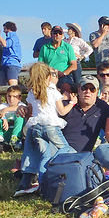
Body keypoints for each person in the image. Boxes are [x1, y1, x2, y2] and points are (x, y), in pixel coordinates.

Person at [15, 62, 75, 195]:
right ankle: (71, 170)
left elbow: (30, 112)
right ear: (48, 77)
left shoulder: (32, 92)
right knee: (65, 148)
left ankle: (38, 183)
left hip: (36, 127)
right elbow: (62, 111)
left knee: (45, 154)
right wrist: (71, 102)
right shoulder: (52, 90)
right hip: (51, 127)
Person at [61, 76, 109, 153]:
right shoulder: (66, 105)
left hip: (84, 157)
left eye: (92, 89)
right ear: (78, 90)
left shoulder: (102, 108)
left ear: (97, 92)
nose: (88, 91)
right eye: (84, 88)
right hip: (61, 152)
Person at [38, 25, 77, 91]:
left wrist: (63, 73)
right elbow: (40, 65)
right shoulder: (44, 48)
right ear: (51, 34)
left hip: (64, 76)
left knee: (66, 87)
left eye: (60, 33)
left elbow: (74, 65)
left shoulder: (68, 47)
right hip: (49, 76)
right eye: (55, 33)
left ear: (62, 34)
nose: (57, 35)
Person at [0, 85, 26, 150]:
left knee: (19, 114)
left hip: (18, 132)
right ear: (6, 97)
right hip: (5, 131)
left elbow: (19, 108)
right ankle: (1, 138)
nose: (11, 99)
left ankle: (15, 138)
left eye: (14, 97)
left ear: (19, 98)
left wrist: (5, 110)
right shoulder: (3, 106)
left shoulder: (21, 105)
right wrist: (4, 118)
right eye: (9, 96)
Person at [0, 22, 21, 87]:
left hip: (12, 64)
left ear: (8, 29)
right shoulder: (9, 37)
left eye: (4, 29)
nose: (4, 31)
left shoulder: (13, 36)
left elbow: (6, 44)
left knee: (13, 87)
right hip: (5, 64)